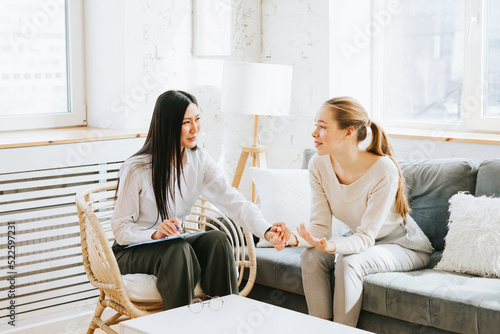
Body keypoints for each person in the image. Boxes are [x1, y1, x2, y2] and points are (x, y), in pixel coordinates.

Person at [111, 90, 286, 310]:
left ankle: (225, 321)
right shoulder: (137, 168)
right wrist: (155, 234)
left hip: (174, 246)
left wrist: (267, 230)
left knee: (218, 241)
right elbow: (120, 229)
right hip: (131, 250)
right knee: (176, 249)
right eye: (186, 122)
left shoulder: (199, 161)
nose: (195, 129)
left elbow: (233, 201)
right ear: (168, 125)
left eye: (197, 119)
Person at [285, 96, 433, 327]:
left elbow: (365, 237)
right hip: (364, 241)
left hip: (401, 245)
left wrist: (332, 246)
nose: (314, 133)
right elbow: (320, 228)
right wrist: (291, 238)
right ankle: (320, 328)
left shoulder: (383, 169)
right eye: (315, 125)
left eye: (322, 127)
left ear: (348, 132)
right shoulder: (319, 163)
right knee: (312, 257)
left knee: (349, 262)